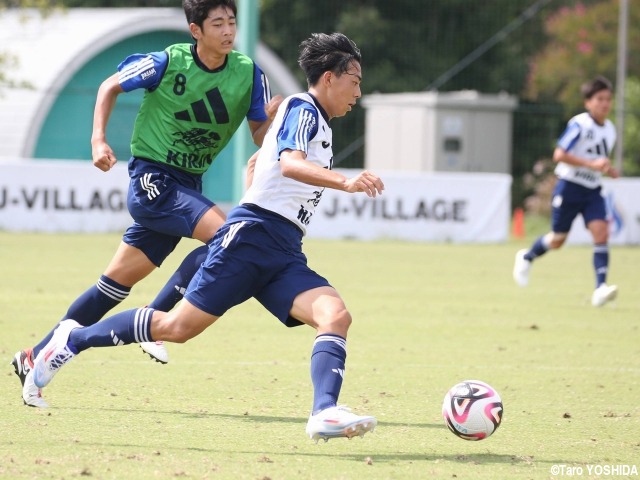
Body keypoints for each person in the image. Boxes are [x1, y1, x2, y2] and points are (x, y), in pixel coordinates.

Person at [33, 32, 382, 443]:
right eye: (355, 80)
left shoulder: (313, 120)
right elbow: (290, 164)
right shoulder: (304, 109)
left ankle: (324, 412)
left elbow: (270, 160)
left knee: (335, 316)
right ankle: (71, 340)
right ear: (328, 77)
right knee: (176, 328)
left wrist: (260, 168)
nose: (359, 91)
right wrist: (346, 181)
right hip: (252, 238)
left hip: (283, 249)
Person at [11, 0, 282, 408]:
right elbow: (109, 86)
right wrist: (98, 139)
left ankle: (34, 355)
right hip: (154, 180)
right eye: (219, 23)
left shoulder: (248, 73)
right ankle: (156, 319)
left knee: (110, 288)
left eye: (232, 22)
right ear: (196, 31)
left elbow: (261, 134)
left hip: (186, 184)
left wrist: (276, 119)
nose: (229, 30)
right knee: (230, 237)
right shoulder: (167, 62)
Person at [513, 75, 619, 307]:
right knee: (558, 239)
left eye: (608, 99)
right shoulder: (580, 124)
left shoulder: (610, 129)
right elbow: (559, 155)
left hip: (592, 190)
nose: (605, 104)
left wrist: (608, 169)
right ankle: (527, 256)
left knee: (601, 233)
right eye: (600, 99)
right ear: (588, 102)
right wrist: (592, 165)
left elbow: (598, 158)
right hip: (570, 187)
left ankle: (600, 288)